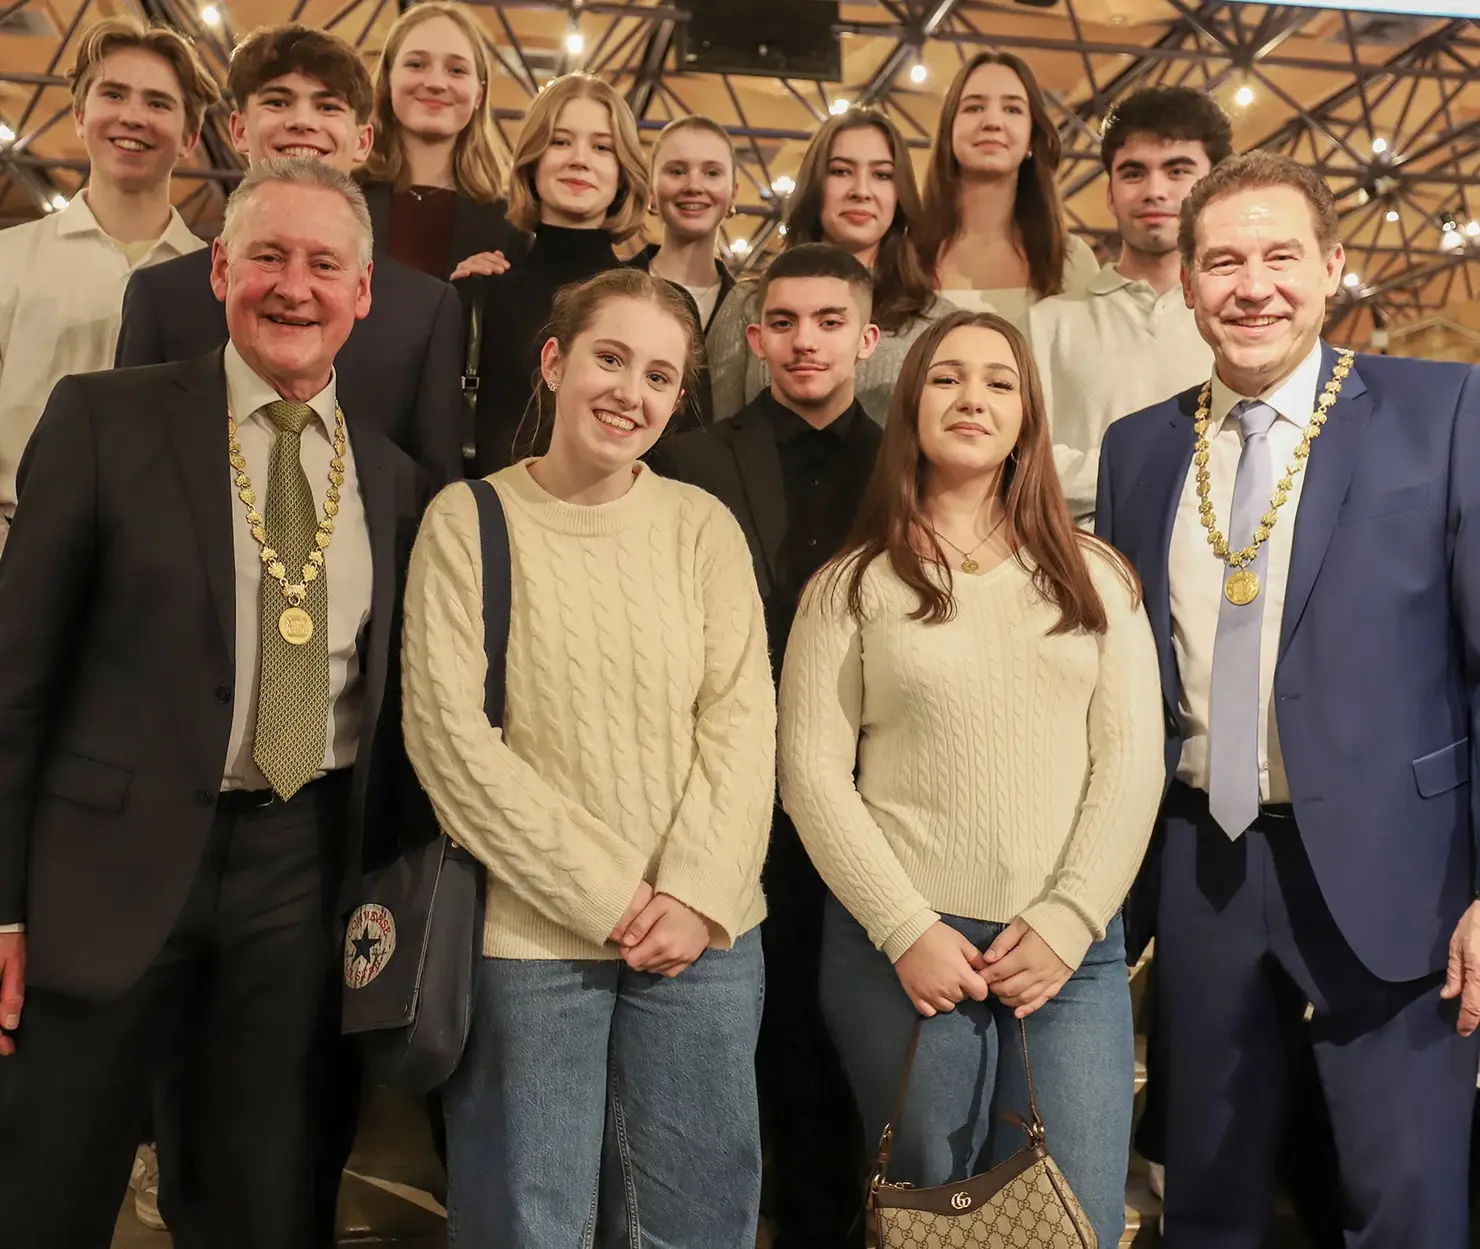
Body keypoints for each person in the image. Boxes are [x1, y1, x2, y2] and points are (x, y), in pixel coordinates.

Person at [0, 157, 434, 1249]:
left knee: (261, 1202)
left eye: (324, 263)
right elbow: (14, 684)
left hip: (299, 871)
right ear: (220, 272)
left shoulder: (393, 482)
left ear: (364, 291)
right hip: (103, 873)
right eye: (268, 258)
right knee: (44, 1190)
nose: (295, 286)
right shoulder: (107, 419)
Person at [1095, 150, 1480, 1247]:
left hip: (1402, 878)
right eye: (1221, 261)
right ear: (1184, 281)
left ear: (1331, 267)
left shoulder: (1440, 409)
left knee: (1404, 1204)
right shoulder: (1140, 449)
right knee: (1205, 1202)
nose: (1250, 285)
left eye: (1278, 255)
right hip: (1204, 870)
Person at [402, 267, 775, 1248]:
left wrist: (692, 892)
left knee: (697, 1216)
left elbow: (741, 723)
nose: (630, 392)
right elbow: (449, 743)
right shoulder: (468, 523)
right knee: (530, 1218)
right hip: (531, 941)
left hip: (702, 942)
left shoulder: (701, 528)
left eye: (659, 375)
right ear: (555, 361)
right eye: (610, 358)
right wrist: (608, 894)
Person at [778, 308, 1163, 1249]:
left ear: (1028, 413)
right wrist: (907, 928)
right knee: (930, 1217)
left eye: (999, 379)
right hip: (906, 955)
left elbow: (1132, 764)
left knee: (1068, 1212)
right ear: (911, 405)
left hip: (1068, 953)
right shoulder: (851, 584)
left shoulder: (1097, 577)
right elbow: (810, 774)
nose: (973, 397)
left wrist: (1071, 918)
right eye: (947, 377)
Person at [649, 242, 882, 1249]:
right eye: (783, 322)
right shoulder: (695, 458)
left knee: (849, 1048)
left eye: (830, 321)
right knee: (740, 1045)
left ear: (868, 340)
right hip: (731, 795)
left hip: (878, 798)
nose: (805, 341)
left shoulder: (909, 461)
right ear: (753, 339)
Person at [116, 23, 464, 486]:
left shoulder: (426, 310)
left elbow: (435, 485)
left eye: (327, 106)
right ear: (239, 129)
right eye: (278, 102)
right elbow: (126, 468)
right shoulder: (161, 296)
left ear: (363, 141)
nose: (303, 121)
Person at [0, 14, 217, 557]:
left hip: (162, 570)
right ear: (79, 114)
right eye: (113, 94)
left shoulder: (217, 284)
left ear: (190, 136)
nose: (133, 117)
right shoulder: (8, 260)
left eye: (159, 103)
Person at [1029, 85, 1230, 528]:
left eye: (1178, 170)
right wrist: (1174, 470)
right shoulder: (1047, 325)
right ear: (1110, 193)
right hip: (1084, 577)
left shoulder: (1241, 324)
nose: (1154, 191)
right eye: (1134, 173)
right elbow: (1027, 464)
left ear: (1214, 188)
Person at [707, 108, 949, 426]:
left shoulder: (937, 321)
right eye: (840, 171)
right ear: (816, 185)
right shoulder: (747, 305)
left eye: (882, 175)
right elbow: (714, 439)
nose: (861, 191)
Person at [461, 72, 644, 476]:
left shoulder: (654, 305)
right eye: (560, 141)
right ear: (533, 159)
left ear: (622, 172)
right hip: (493, 524)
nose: (579, 159)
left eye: (601, 147)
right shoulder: (479, 294)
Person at [920, 52, 1101, 333]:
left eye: (1012, 109)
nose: (993, 122)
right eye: (974, 108)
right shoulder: (906, 254)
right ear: (948, 131)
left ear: (1031, 137)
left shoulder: (1072, 262)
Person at [358, 0, 517, 281]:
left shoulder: (510, 221)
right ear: (387, 81)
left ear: (479, 95)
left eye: (456, 70)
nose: (435, 83)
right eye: (416, 64)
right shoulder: (343, 194)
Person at [627, 113, 739, 428]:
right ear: (651, 190)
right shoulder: (608, 290)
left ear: (734, 193)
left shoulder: (753, 307)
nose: (693, 185)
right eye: (677, 171)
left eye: (712, 172)